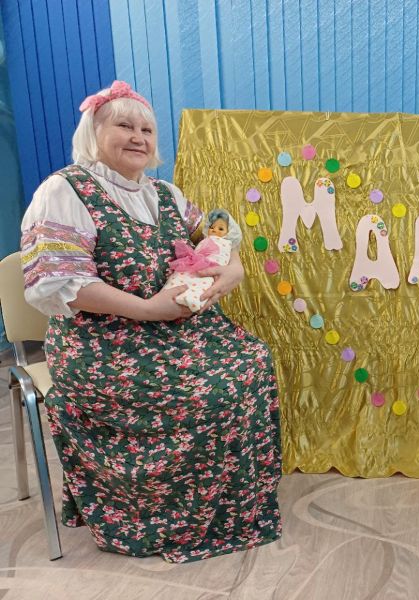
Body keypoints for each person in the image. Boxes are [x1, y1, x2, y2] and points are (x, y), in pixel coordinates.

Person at [20, 80, 282, 563]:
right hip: (104, 340)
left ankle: (227, 509)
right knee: (209, 390)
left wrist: (230, 272)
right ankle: (158, 515)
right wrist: (149, 309)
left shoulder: (165, 194)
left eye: (147, 129)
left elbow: (221, 242)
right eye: (124, 125)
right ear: (93, 132)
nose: (138, 137)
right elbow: (62, 283)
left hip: (175, 328)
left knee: (252, 361)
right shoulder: (65, 191)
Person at [164, 208, 242, 312]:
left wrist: (236, 266)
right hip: (191, 263)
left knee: (202, 283)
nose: (214, 230)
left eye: (221, 229)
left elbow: (221, 256)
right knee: (180, 277)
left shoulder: (225, 243)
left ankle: (192, 298)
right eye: (212, 227)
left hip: (208, 268)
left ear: (229, 233)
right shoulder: (205, 240)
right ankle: (169, 292)